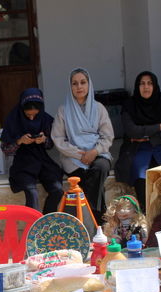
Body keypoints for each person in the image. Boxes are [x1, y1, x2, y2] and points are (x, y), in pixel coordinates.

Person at [51, 68, 114, 224]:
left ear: (89, 85)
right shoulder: (63, 110)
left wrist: (95, 151)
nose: (79, 87)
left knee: (99, 168)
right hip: (73, 157)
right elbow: (58, 139)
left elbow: (108, 136)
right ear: (70, 87)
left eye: (83, 82)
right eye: (75, 83)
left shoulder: (99, 108)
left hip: (97, 153)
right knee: (85, 177)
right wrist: (80, 155)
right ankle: (98, 220)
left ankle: (87, 219)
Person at [113, 71, 161, 214]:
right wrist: (158, 127)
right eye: (142, 83)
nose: (146, 87)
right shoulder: (130, 105)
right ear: (137, 86)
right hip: (137, 148)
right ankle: (146, 215)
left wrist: (149, 138)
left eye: (150, 83)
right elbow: (132, 131)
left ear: (155, 85)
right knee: (140, 176)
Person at [0, 88, 63, 214]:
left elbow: (51, 144)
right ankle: (34, 227)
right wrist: (19, 141)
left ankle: (46, 223)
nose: (32, 117)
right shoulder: (13, 120)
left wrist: (44, 140)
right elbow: (5, 149)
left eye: (35, 114)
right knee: (31, 192)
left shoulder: (46, 119)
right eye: (28, 115)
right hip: (23, 162)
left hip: (42, 160)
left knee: (57, 190)